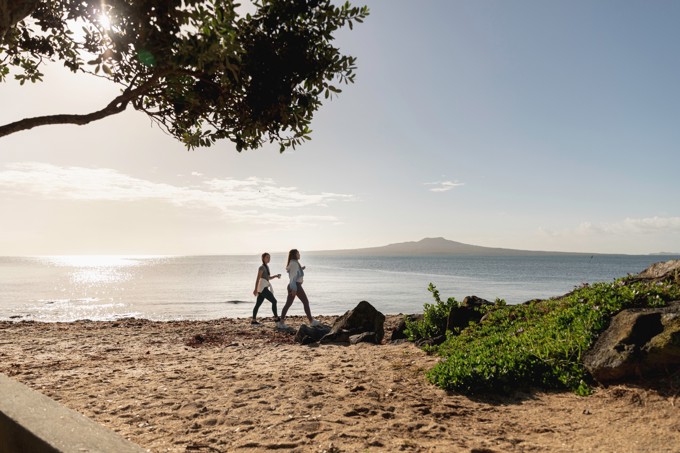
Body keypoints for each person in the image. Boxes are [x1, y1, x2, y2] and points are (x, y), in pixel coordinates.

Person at [278, 249, 321, 329]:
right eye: (298, 253)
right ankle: (311, 321)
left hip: (294, 285)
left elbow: (293, 273)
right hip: (296, 286)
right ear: (295, 255)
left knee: (288, 304)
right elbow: (292, 277)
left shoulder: (293, 263)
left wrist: (301, 269)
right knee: (305, 302)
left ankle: (281, 323)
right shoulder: (294, 263)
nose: (299, 255)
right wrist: (294, 288)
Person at [252, 252, 281, 325]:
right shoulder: (261, 267)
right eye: (267, 257)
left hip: (264, 288)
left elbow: (268, 278)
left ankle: (253, 320)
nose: (269, 259)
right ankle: (276, 318)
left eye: (269, 257)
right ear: (263, 258)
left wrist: (276, 276)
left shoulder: (266, 267)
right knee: (274, 301)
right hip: (262, 288)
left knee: (258, 304)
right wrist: (255, 289)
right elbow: (258, 279)